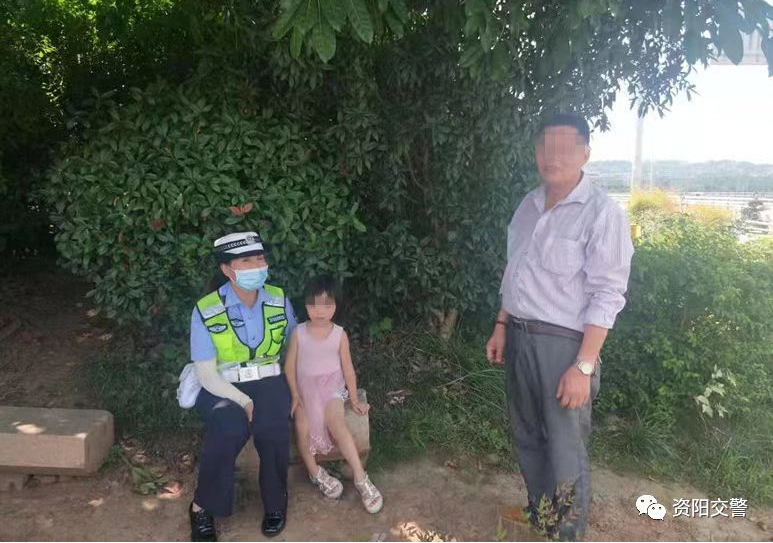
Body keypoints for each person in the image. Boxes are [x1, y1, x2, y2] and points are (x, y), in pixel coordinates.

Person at [486, 113, 634, 541]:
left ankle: (566, 533)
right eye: (545, 147)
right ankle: (543, 517)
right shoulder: (528, 205)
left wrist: (584, 366)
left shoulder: (602, 213)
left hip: (565, 347)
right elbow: (515, 272)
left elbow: (608, 294)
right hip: (519, 337)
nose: (552, 156)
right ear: (536, 152)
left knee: (565, 448)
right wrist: (501, 324)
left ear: (585, 153)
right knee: (527, 436)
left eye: (564, 148)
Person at [187, 231, 298, 542]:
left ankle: (276, 503)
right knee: (229, 426)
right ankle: (202, 507)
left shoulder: (278, 299)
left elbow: (294, 348)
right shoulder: (206, 308)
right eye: (246, 261)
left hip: (269, 379)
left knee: (273, 426)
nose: (257, 266)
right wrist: (243, 401)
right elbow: (207, 374)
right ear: (227, 269)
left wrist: (299, 389)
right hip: (221, 386)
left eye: (259, 258)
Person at [284, 274, 383, 514]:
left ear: (336, 306)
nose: (320, 311)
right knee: (302, 427)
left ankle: (361, 477)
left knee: (336, 423)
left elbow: (348, 369)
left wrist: (355, 399)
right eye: (314, 305)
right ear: (305, 304)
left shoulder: (339, 334)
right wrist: (295, 395)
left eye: (327, 305)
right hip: (305, 391)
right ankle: (316, 473)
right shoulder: (298, 333)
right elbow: (289, 367)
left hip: (332, 388)